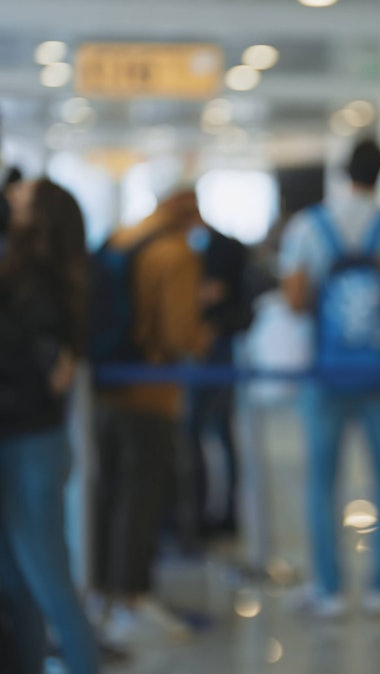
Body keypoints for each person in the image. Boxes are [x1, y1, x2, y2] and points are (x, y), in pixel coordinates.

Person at [278, 138, 380, 617]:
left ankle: (329, 590)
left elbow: (295, 298)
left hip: (326, 373)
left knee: (322, 482)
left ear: (343, 171)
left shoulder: (309, 225)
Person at [90, 188, 213, 647]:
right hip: (151, 393)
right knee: (141, 498)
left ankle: (102, 591)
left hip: (104, 390)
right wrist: (203, 334)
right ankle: (132, 598)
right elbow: (180, 330)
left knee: (107, 493)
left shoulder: (120, 238)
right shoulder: (175, 253)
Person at [0, 178, 102, 673]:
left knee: (48, 581)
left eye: (25, 192)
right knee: (18, 581)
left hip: (31, 442)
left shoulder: (31, 280)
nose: (13, 192)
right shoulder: (43, 275)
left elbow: (42, 364)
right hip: (27, 438)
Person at [185, 222, 253, 541]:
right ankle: (206, 513)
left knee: (204, 433)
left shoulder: (218, 249)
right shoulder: (213, 246)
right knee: (213, 434)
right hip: (211, 352)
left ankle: (209, 515)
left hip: (213, 352)